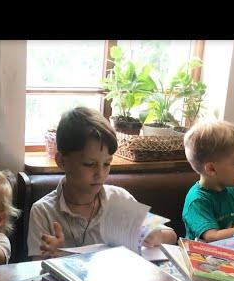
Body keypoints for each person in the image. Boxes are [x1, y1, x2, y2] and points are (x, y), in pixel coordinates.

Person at [27, 107, 177, 259]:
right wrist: (52, 256)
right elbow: (35, 265)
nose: (100, 173)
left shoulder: (119, 198)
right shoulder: (43, 211)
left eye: (106, 164)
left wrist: (155, 236)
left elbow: (171, 236)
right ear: (62, 162)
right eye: (89, 164)